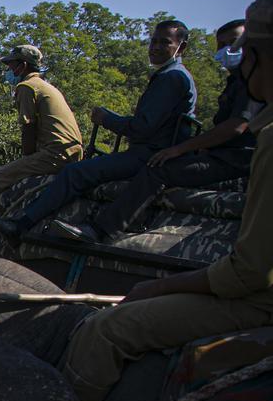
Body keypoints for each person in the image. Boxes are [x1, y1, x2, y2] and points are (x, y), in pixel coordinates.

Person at [68, 0, 273, 401]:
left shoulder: (267, 134)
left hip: (258, 300)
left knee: (106, 329)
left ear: (256, 57)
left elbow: (252, 271)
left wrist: (162, 284)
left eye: (242, 53)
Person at [52, 19, 264, 243]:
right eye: (221, 46)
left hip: (236, 159)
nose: (226, 51)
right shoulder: (238, 80)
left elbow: (236, 127)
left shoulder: (251, 82)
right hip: (220, 154)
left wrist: (180, 149)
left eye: (233, 44)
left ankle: (102, 230)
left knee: (157, 170)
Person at [0, 20, 197, 239]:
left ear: (180, 47)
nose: (154, 47)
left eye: (164, 42)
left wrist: (107, 119)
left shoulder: (171, 77)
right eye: (153, 41)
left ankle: (20, 225)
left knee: (75, 173)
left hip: (149, 153)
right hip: (149, 149)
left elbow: (142, 127)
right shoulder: (171, 75)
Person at [0, 45, 83, 227]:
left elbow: (28, 128)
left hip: (54, 155)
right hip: (72, 153)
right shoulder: (47, 86)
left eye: (11, 65)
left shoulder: (27, 87)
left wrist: (26, 159)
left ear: (23, 65)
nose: (9, 70)